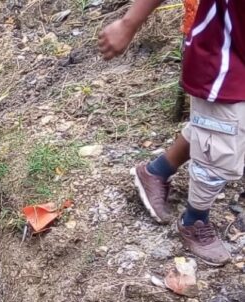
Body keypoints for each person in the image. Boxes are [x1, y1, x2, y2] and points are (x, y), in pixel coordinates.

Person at [99, 0, 244, 266]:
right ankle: (194, 220)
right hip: (223, 58)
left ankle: (157, 171)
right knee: (221, 146)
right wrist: (128, 23)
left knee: (218, 129)